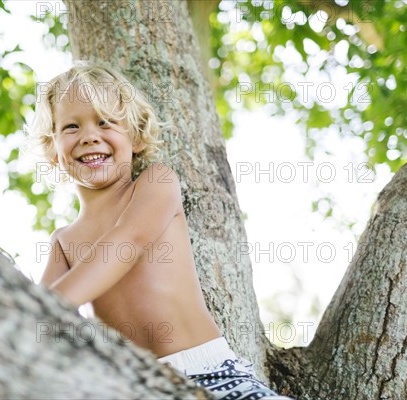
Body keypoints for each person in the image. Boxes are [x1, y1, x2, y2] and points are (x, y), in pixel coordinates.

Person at [30, 62, 293, 400]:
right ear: (52, 150)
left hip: (211, 374)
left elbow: (127, 241)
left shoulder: (155, 181)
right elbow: (37, 323)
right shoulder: (64, 242)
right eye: (70, 126)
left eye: (106, 122)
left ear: (136, 137)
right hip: (136, 388)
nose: (89, 136)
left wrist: (49, 307)